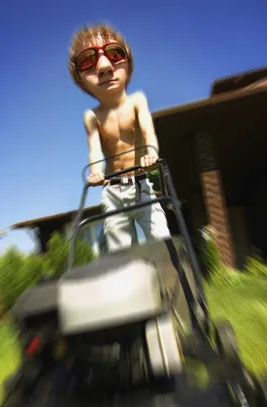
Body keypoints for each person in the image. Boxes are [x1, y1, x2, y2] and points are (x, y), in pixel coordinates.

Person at [68, 22, 171, 252]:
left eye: (114, 54)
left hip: (141, 186)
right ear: (80, 78)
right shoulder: (92, 117)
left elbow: (148, 131)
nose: (104, 66)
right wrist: (95, 170)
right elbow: (94, 148)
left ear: (128, 63)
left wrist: (151, 154)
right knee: (121, 254)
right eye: (88, 61)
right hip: (112, 192)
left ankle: (172, 283)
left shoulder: (137, 101)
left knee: (162, 242)